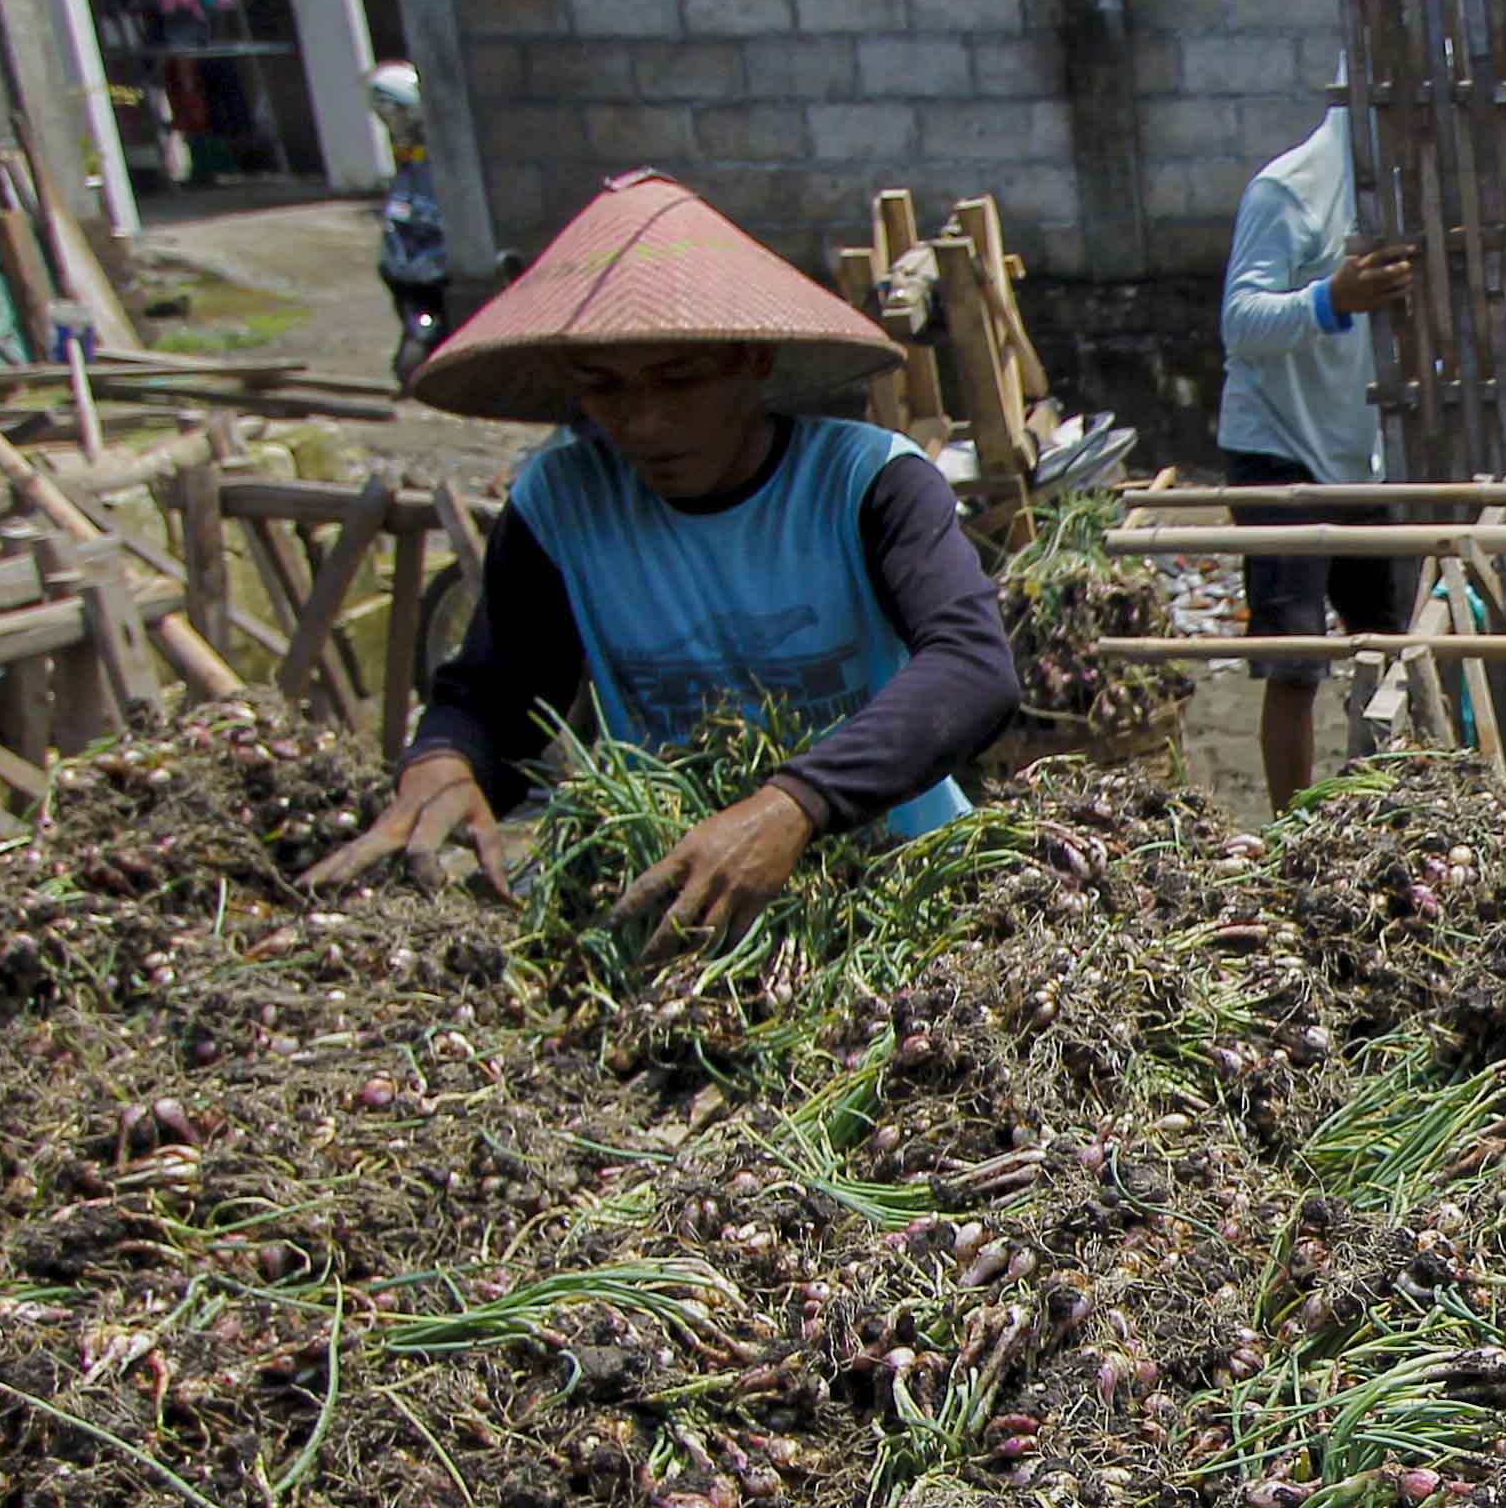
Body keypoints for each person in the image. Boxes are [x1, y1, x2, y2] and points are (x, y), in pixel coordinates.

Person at [309, 171, 1017, 949]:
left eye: (680, 379)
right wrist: (449, 759)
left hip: (903, 890)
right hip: (677, 909)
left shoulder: (866, 482)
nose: (645, 422)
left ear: (751, 359)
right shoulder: (562, 501)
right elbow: (498, 691)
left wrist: (795, 805)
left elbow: (972, 664)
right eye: (606, 389)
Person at [1218, 104, 1421, 810]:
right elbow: (1240, 323)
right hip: (1278, 445)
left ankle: (1389, 811)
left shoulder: (1414, 189)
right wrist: (1330, 299)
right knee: (1296, 657)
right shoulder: (1291, 191)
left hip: (1359, 451)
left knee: (1395, 642)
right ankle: (1289, 836)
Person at [365, 61, 448, 392]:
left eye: (397, 111)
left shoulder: (440, 147)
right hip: (409, 242)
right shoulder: (407, 154)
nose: (392, 120)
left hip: (435, 242)